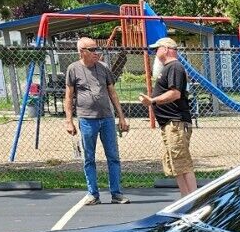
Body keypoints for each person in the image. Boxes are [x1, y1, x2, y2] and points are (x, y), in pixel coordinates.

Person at [64, 37, 129, 205]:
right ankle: (93, 194)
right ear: (82, 52)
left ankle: (116, 193)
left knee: (113, 157)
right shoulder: (73, 69)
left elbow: (112, 93)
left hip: (107, 118)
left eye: (96, 49)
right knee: (89, 158)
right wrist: (69, 121)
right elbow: (69, 96)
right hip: (87, 119)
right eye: (92, 50)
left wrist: (121, 117)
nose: (96, 53)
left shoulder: (104, 68)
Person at [140, 36, 197, 196]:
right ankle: (185, 198)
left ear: (166, 49)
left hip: (176, 123)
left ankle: (193, 199)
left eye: (157, 48)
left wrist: (153, 101)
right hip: (169, 124)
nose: (155, 51)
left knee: (183, 162)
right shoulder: (168, 68)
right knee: (176, 164)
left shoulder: (174, 67)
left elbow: (175, 93)